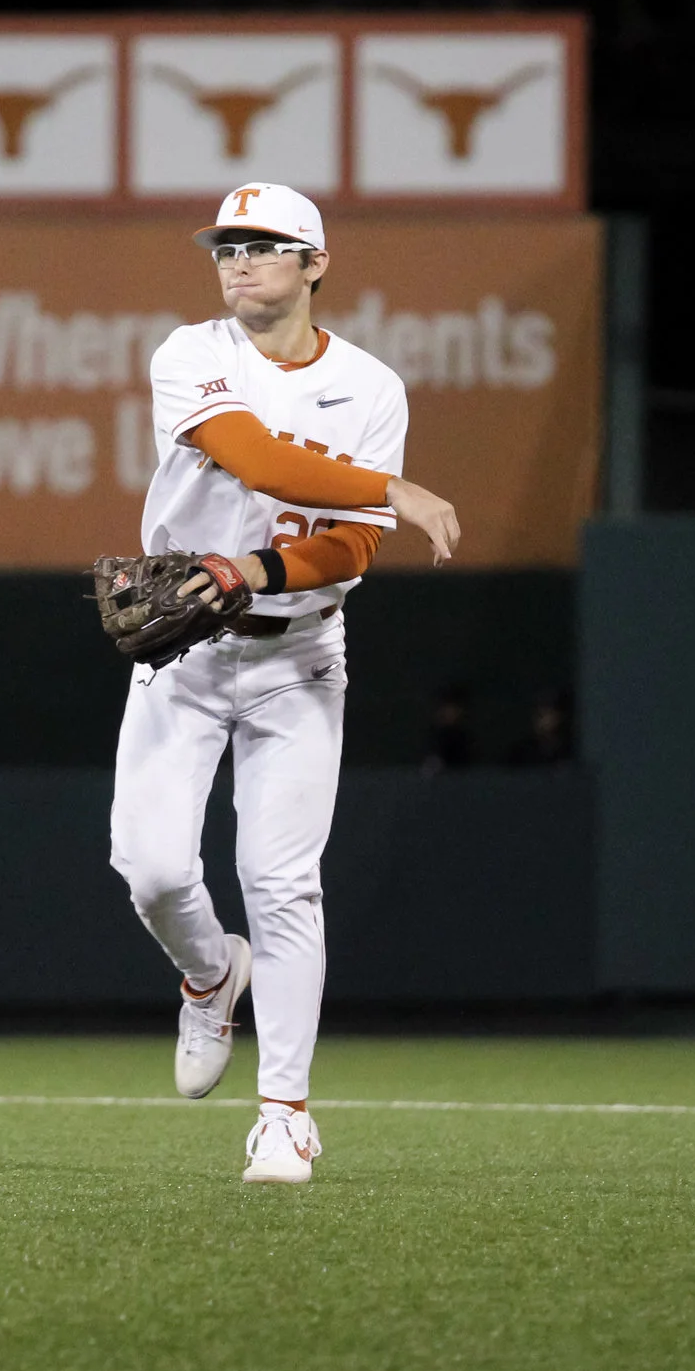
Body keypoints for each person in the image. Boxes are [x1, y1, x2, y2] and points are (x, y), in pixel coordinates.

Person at [107, 181, 462, 1183]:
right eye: (226, 245)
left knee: (282, 880)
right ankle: (211, 973)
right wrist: (393, 485)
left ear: (316, 263)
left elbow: (347, 548)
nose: (238, 260)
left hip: (297, 654)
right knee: (153, 871)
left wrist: (252, 571)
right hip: (180, 652)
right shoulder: (190, 353)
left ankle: (286, 1114)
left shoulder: (370, 385)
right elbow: (257, 460)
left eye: (265, 245)